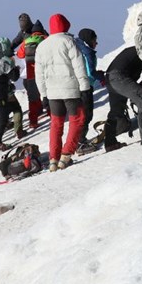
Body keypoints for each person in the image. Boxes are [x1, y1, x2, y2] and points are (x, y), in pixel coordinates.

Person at [34, 13, 92, 171]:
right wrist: (85, 87)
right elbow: (79, 66)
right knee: (77, 120)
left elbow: (39, 74)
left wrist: (43, 94)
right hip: (70, 89)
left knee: (56, 124)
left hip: (52, 92)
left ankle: (53, 159)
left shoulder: (42, 46)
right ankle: (66, 155)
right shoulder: (69, 42)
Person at [103, 45, 142, 149]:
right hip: (118, 76)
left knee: (116, 110)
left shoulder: (136, 49)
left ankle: (110, 143)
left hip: (110, 76)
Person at [74, 28, 105, 151]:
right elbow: (90, 72)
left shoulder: (77, 47)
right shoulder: (88, 52)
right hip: (85, 86)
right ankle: (80, 142)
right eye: (94, 40)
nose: (96, 43)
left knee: (78, 116)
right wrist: (101, 76)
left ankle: (77, 140)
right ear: (89, 40)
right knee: (86, 115)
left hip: (75, 86)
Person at [17, 22, 47, 129]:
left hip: (31, 74)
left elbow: (20, 55)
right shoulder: (45, 39)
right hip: (44, 73)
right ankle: (51, 114)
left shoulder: (26, 41)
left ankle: (33, 121)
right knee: (47, 94)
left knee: (33, 98)